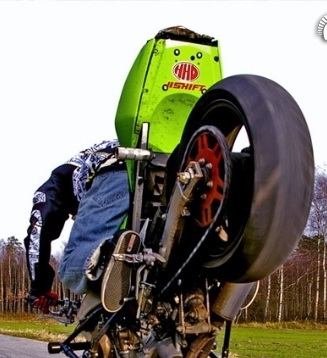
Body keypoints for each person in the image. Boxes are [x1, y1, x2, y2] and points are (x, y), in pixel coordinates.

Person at [24, 26, 223, 314]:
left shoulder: (67, 174)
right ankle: (222, 273)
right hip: (186, 175)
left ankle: (108, 258)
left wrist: (39, 286)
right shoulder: (149, 141)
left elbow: (39, 225)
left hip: (117, 176)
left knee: (72, 268)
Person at [24, 139, 130, 313]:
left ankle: (112, 257)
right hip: (165, 164)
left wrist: (40, 288)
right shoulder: (90, 154)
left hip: (116, 171)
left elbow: (38, 231)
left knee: (70, 269)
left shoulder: (55, 184)